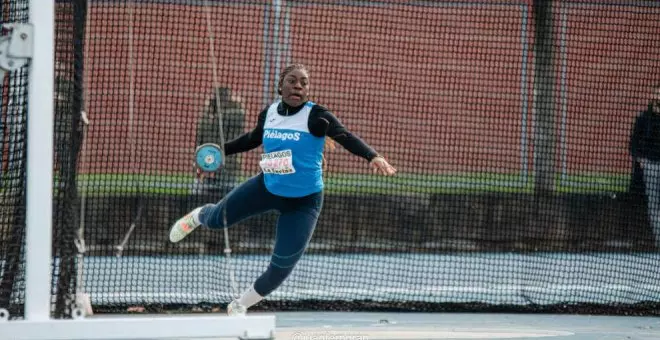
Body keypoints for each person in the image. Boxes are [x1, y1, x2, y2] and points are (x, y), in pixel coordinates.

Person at [169, 63, 396, 315]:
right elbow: (251, 139)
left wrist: (373, 156)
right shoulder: (269, 114)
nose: (298, 85)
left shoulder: (317, 116)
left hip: (304, 203)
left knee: (281, 268)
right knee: (215, 220)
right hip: (265, 187)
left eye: (303, 82)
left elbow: (346, 136)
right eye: (292, 80)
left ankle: (239, 305)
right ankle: (198, 215)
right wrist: (216, 153)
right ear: (281, 85)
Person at [194, 86, 246, 194]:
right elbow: (199, 140)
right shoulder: (207, 117)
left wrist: (218, 113)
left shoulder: (235, 114)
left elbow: (237, 118)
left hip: (228, 167)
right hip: (208, 165)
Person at [629, 83, 660, 250]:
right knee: (653, 204)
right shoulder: (643, 119)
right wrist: (641, 160)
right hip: (651, 166)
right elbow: (633, 143)